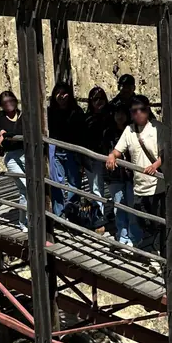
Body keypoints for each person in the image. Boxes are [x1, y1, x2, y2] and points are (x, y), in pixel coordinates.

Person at [106, 95, 163, 255]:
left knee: (157, 221)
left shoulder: (158, 128)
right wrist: (112, 156)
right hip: (139, 184)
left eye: (142, 109)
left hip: (157, 185)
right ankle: (148, 249)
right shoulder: (129, 130)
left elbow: (166, 154)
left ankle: (157, 254)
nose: (138, 113)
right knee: (141, 218)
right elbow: (118, 150)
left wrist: (155, 165)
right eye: (134, 111)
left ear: (148, 109)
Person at [47, 80, 86, 219]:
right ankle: (60, 215)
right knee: (56, 183)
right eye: (57, 93)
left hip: (72, 152)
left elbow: (82, 133)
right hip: (56, 151)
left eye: (64, 93)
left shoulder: (77, 111)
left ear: (69, 95)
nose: (61, 96)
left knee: (74, 183)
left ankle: (72, 212)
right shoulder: (50, 112)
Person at [106, 105, 140, 248]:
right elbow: (105, 151)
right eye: (117, 114)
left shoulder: (133, 132)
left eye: (122, 114)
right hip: (115, 175)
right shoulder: (108, 133)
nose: (119, 117)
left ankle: (134, 237)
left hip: (131, 175)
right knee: (119, 206)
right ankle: (123, 236)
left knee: (132, 207)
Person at [0, 90, 26, 232]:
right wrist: (0, 131)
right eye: (5, 102)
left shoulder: (23, 115)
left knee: (29, 190)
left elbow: (21, 132)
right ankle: (24, 223)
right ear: (1, 105)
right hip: (11, 156)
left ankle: (26, 220)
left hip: (26, 154)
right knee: (26, 188)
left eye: (11, 100)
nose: (9, 104)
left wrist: (5, 135)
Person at [84, 86, 113, 232]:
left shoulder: (111, 116)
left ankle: (115, 215)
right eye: (95, 99)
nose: (98, 102)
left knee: (114, 188)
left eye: (101, 98)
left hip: (110, 157)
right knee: (96, 188)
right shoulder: (86, 118)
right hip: (93, 157)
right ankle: (99, 219)